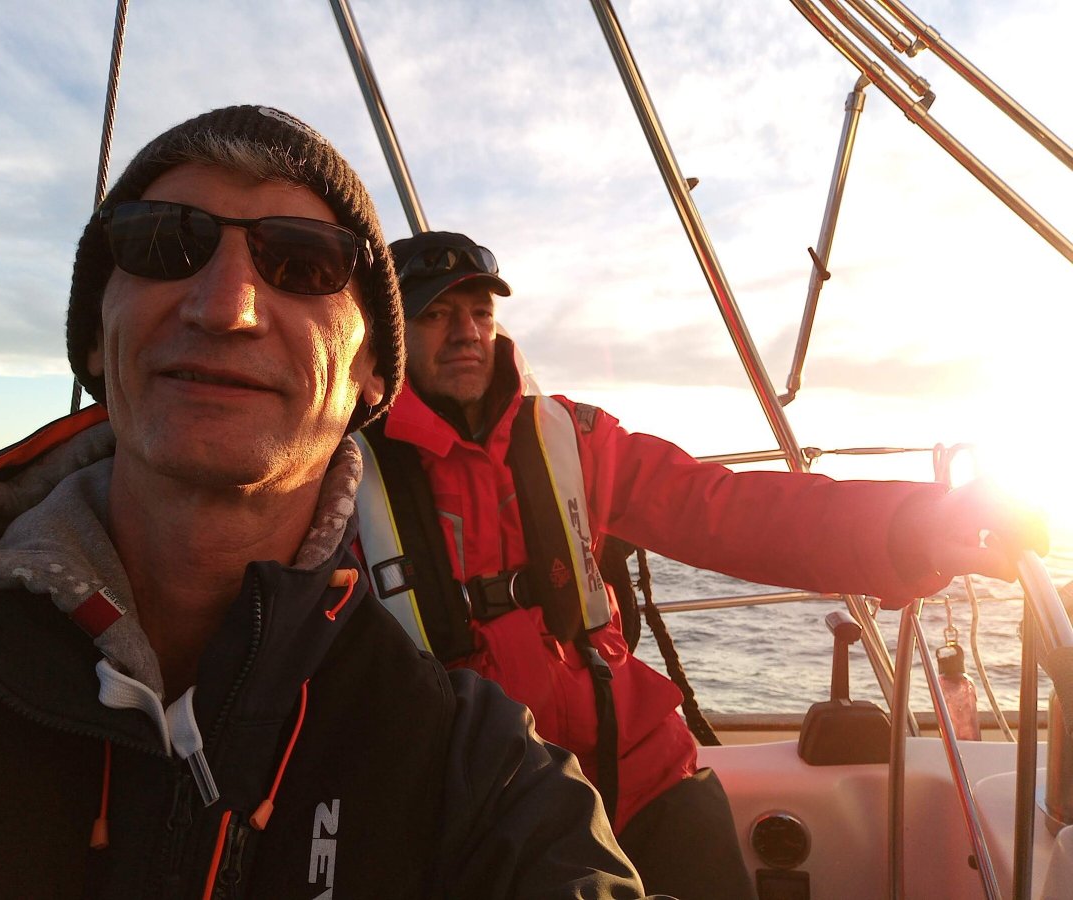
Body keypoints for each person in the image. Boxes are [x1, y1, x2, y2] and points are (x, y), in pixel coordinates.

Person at [0, 108, 654, 899]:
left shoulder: (472, 761)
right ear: (91, 338)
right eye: (162, 245)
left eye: (305, 263)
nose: (225, 308)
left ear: (373, 373)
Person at [354, 230, 1050, 900]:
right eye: (436, 314)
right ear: (390, 332)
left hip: (643, 779)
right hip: (479, 804)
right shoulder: (343, 477)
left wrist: (915, 527)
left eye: (479, 312)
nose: (467, 331)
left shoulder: (572, 437)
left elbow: (728, 509)